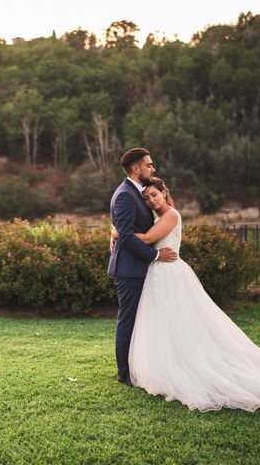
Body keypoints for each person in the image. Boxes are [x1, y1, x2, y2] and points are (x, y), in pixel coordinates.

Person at [111, 177, 260, 411]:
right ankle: (166, 365)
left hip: (170, 273)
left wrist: (122, 233)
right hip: (157, 275)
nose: (151, 200)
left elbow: (148, 239)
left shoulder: (171, 215)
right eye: (147, 197)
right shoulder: (156, 216)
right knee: (163, 322)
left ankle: (185, 366)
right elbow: (142, 232)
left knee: (179, 321)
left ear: (164, 193)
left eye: (154, 195)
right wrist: (118, 229)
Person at [107, 148, 178, 386]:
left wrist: (114, 230)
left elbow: (122, 227)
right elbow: (126, 236)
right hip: (129, 269)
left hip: (138, 268)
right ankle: (125, 373)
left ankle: (140, 366)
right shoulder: (126, 194)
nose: (153, 169)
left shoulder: (137, 193)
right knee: (128, 320)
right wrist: (156, 254)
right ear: (136, 168)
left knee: (141, 320)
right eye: (149, 165)